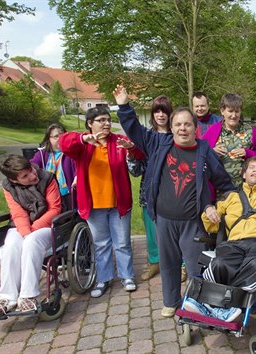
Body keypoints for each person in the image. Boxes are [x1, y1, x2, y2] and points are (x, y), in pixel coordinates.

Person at [114, 85, 235, 319]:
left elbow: (224, 182)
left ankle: (197, 305)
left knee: (194, 267)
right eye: (178, 124)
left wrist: (216, 206)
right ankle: (171, 302)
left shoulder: (204, 151)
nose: (182, 128)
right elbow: (135, 131)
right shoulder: (160, 144)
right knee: (168, 265)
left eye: (187, 124)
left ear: (195, 128)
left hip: (192, 222)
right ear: (171, 128)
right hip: (164, 219)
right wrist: (123, 106)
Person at [182, 156, 256, 321]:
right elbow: (210, 226)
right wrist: (208, 210)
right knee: (220, 263)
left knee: (255, 263)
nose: (255, 170)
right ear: (244, 174)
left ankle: (214, 305)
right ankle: (222, 306)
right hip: (234, 243)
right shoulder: (231, 197)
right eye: (251, 167)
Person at [60, 107, 144, 298]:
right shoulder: (82, 143)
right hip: (94, 204)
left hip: (118, 203)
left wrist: (131, 148)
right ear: (90, 123)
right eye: (101, 120)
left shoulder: (117, 141)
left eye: (108, 120)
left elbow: (139, 154)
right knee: (101, 244)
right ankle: (104, 279)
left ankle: (127, 276)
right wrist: (83, 139)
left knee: (122, 242)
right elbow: (64, 143)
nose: (107, 123)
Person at [0, 155, 62, 319]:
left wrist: (31, 231)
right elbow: (18, 214)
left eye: (31, 171)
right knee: (11, 244)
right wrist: (25, 232)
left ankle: (28, 295)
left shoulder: (47, 178)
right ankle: (7, 297)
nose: (32, 176)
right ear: (14, 181)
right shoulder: (8, 187)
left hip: (47, 225)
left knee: (32, 242)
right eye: (25, 176)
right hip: (22, 226)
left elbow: (54, 209)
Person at [126, 96, 173, 282]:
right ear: (153, 114)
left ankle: (181, 264)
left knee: (174, 232)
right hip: (149, 193)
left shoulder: (178, 135)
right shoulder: (145, 137)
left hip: (172, 194)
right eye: (157, 111)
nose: (161, 115)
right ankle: (154, 261)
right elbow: (136, 171)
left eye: (164, 111)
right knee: (152, 233)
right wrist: (131, 154)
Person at [202, 93, 256, 187]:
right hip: (219, 190)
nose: (233, 115)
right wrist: (212, 152)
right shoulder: (212, 132)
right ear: (222, 111)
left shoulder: (251, 132)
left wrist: (247, 153)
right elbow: (199, 155)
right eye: (230, 111)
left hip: (246, 190)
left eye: (237, 111)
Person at [30, 124, 76, 211]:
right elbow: (31, 167)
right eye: (56, 136)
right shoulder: (41, 155)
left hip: (69, 195)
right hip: (49, 196)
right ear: (49, 139)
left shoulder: (72, 152)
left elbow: (78, 167)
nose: (60, 138)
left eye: (63, 135)